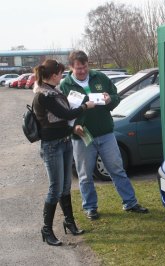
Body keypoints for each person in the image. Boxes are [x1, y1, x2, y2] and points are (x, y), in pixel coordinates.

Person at [60, 50, 148, 220]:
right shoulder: (65, 85)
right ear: (71, 67)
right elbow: (63, 114)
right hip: (82, 137)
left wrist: (110, 100)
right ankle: (90, 207)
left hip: (106, 134)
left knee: (117, 169)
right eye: (78, 68)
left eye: (84, 67)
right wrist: (72, 129)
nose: (83, 71)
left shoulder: (100, 77)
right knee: (85, 175)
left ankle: (130, 202)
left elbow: (116, 97)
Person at [32, 59, 95, 246]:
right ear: (53, 75)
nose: (63, 75)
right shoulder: (43, 94)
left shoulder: (55, 90)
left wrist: (72, 130)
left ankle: (69, 222)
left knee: (66, 186)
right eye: (60, 73)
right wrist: (85, 107)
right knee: (55, 189)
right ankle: (47, 230)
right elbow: (66, 115)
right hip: (52, 146)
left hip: (65, 141)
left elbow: (61, 121)